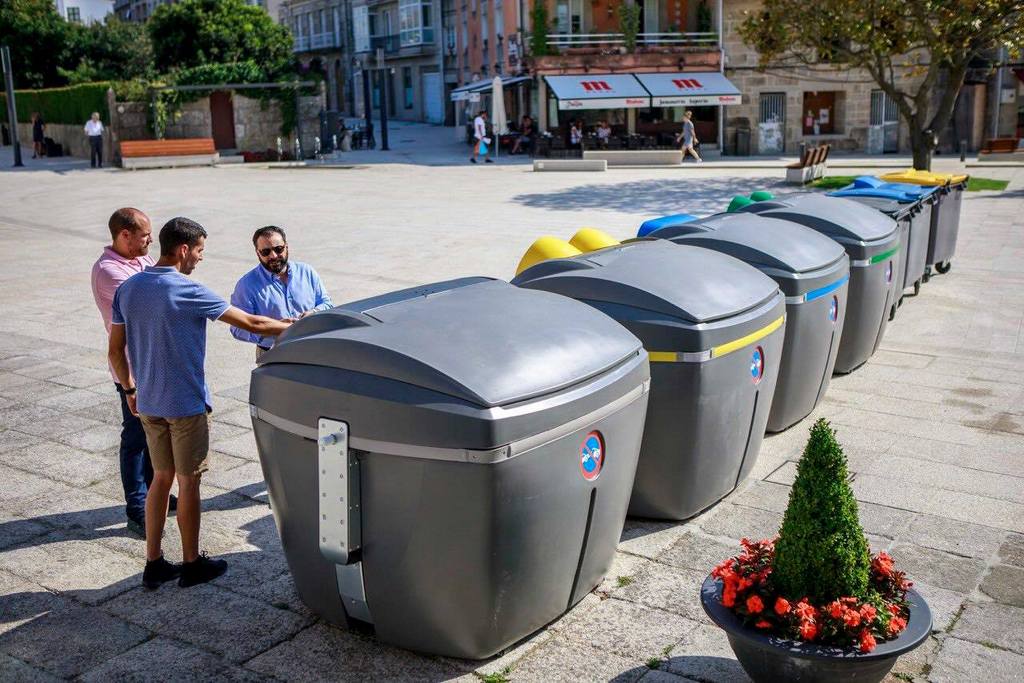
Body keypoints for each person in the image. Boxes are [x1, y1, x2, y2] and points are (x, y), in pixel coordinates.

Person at [108, 217, 292, 589]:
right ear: (183, 249)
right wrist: (297, 327)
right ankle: (191, 564)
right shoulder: (188, 290)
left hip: (149, 404)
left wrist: (129, 390)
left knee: (160, 479)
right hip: (186, 405)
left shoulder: (128, 289)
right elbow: (253, 323)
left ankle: (154, 563)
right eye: (200, 250)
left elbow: (114, 351)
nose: (201, 258)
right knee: (189, 483)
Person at [92, 208, 177, 538]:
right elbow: (153, 301)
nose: (150, 241)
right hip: (132, 369)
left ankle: (156, 491)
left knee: (155, 434)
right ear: (124, 235)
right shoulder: (108, 271)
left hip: (154, 363)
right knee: (136, 439)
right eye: (145, 235)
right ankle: (137, 508)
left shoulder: (140, 260)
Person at [230, 225, 333, 360]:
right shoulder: (246, 285)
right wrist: (272, 328)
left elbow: (327, 304)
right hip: (274, 355)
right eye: (265, 252)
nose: (273, 256)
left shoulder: (306, 272)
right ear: (257, 253)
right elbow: (237, 329)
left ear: (287, 247)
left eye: (278, 249)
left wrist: (313, 313)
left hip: (313, 348)